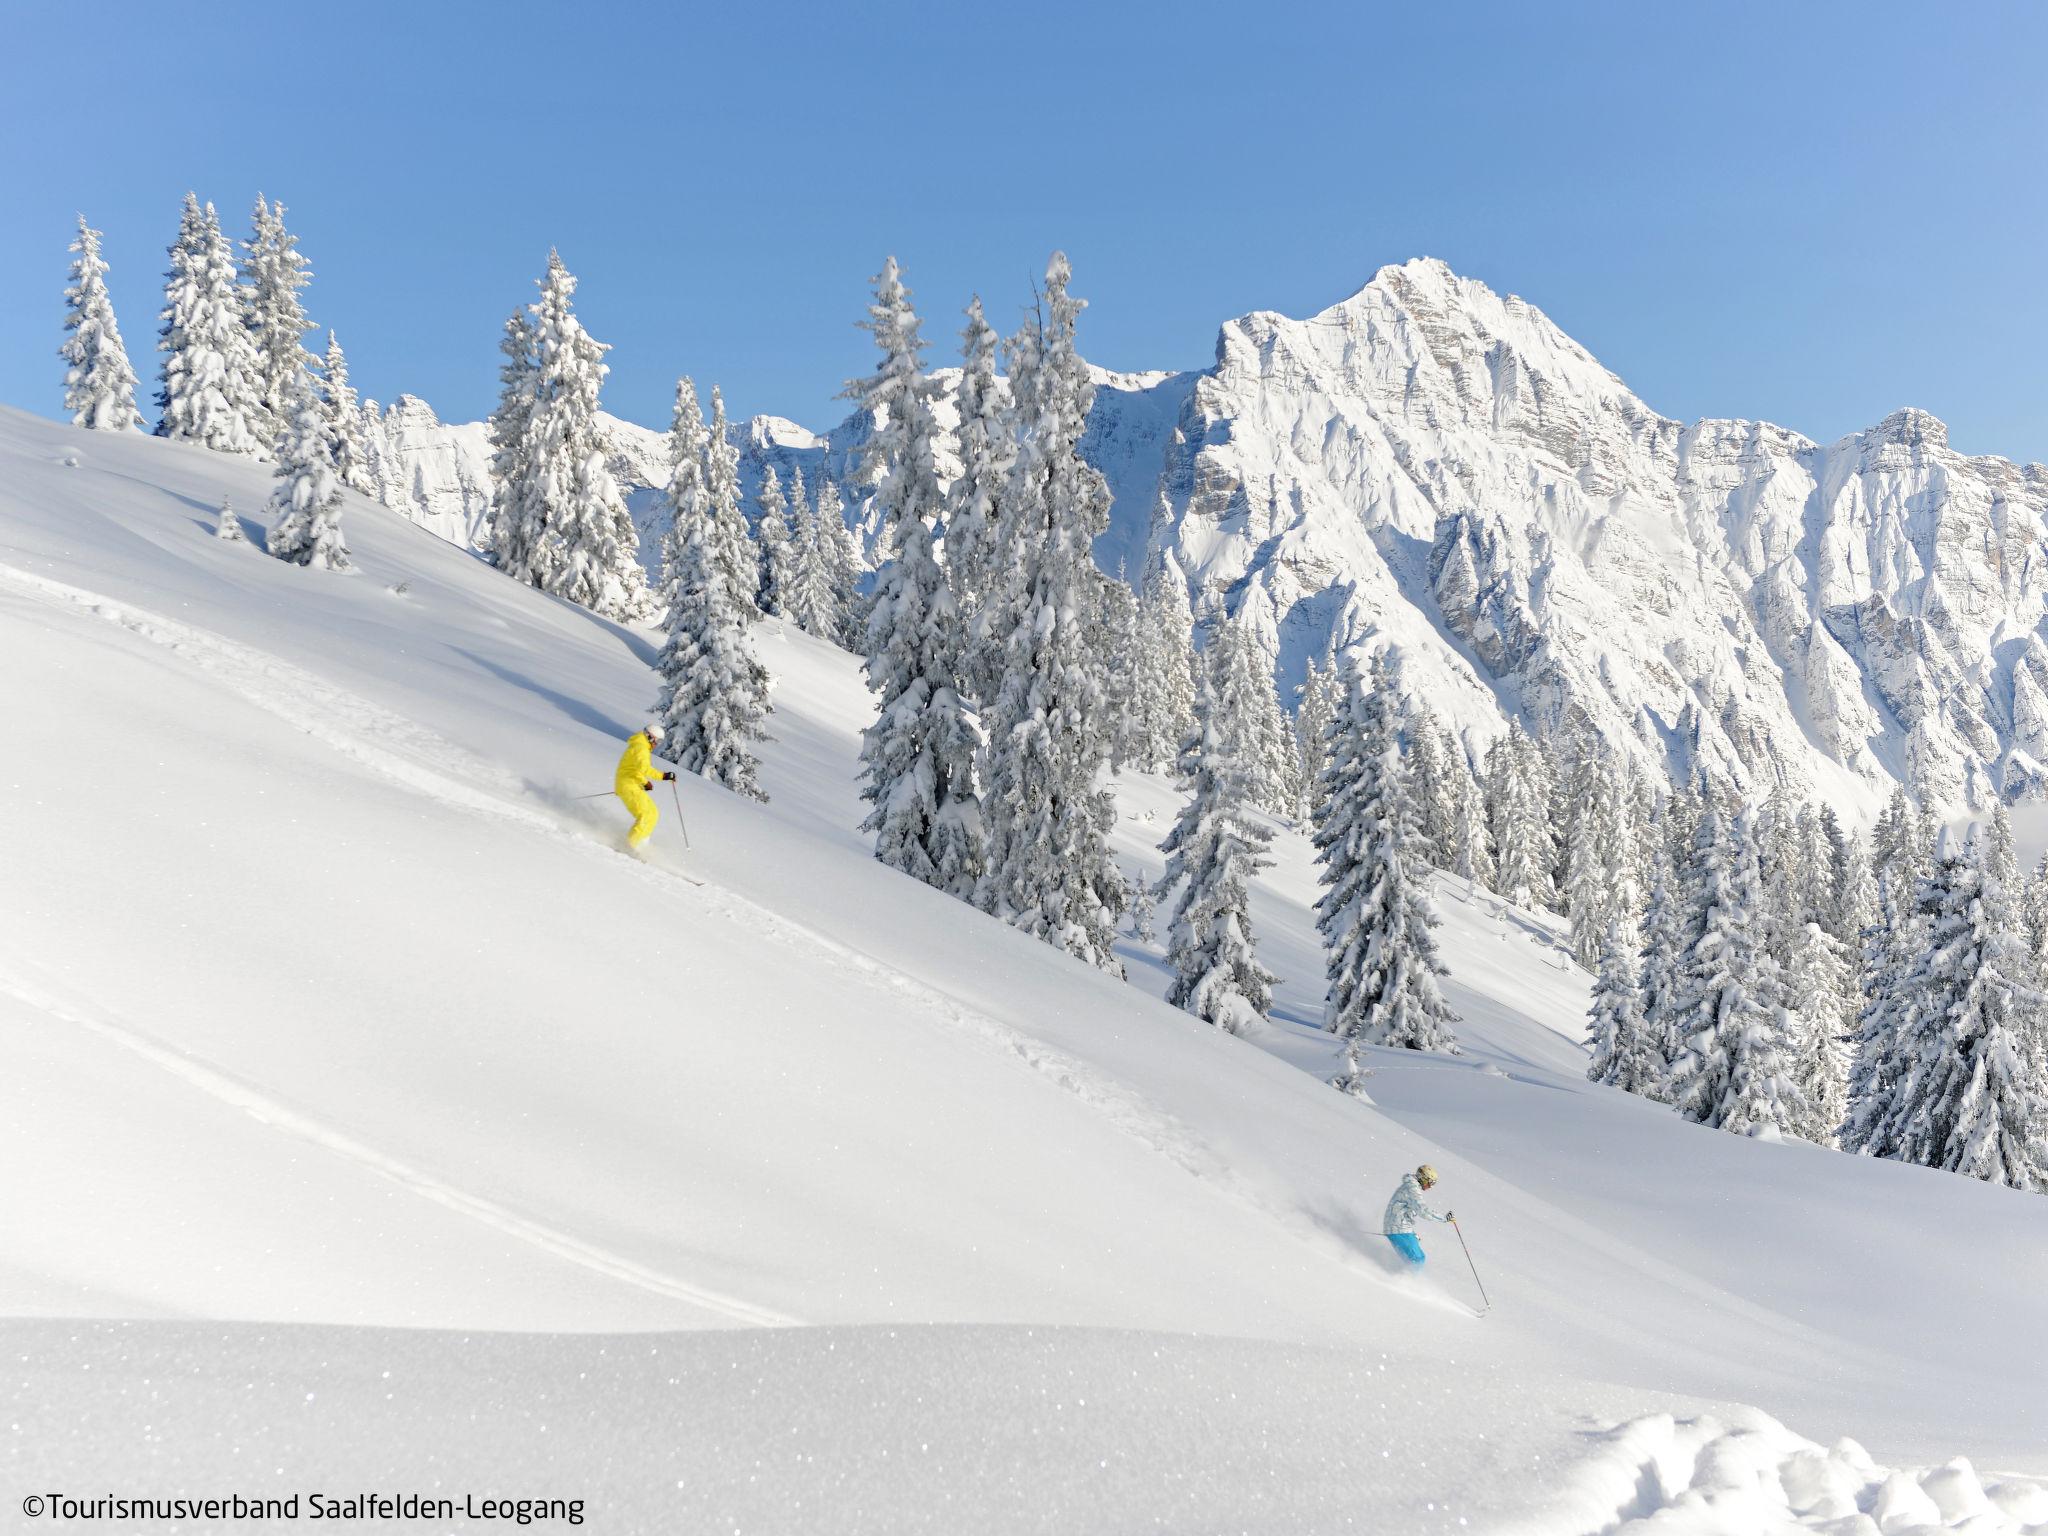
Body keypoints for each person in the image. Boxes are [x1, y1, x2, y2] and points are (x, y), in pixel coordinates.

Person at [616, 724, 676, 851]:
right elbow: (645, 769)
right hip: (628, 785)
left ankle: (640, 843)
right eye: (657, 741)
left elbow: (636, 768)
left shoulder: (641, 746)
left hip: (631, 783)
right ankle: (629, 844)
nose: (656, 745)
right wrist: (664, 776)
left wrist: (643, 782)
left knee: (653, 813)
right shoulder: (641, 748)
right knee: (646, 815)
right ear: (650, 737)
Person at [1383, 1163, 1453, 1266]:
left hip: (1401, 1227)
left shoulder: (1412, 1187)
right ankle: (1405, 1279)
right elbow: (1423, 1211)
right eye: (1430, 1182)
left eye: (1433, 1184)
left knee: (1417, 1258)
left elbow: (1405, 1212)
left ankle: (1400, 1274)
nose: (1430, 1186)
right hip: (1397, 1229)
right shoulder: (1412, 1189)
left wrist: (1411, 1233)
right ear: (1423, 1178)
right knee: (1417, 1259)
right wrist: (1444, 1218)